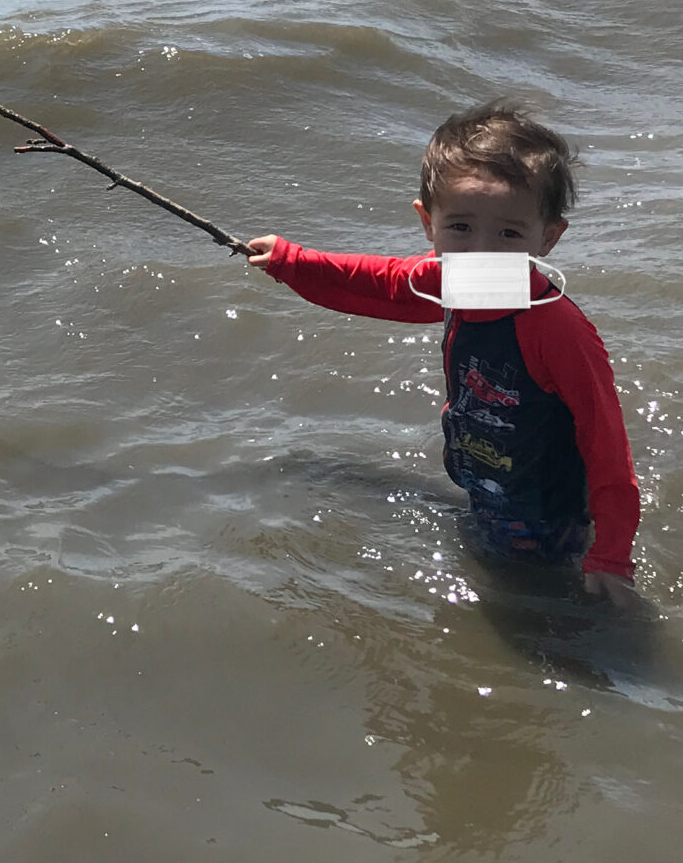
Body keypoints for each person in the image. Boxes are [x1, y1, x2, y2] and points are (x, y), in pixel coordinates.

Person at [244, 102, 644, 611]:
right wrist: (290, 261)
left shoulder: (555, 328)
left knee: (542, 611)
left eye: (508, 233)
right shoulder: (457, 283)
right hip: (486, 478)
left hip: (545, 515)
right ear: (427, 222)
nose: (480, 251)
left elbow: (607, 444)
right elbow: (380, 284)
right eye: (460, 228)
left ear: (548, 237)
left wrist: (610, 555)